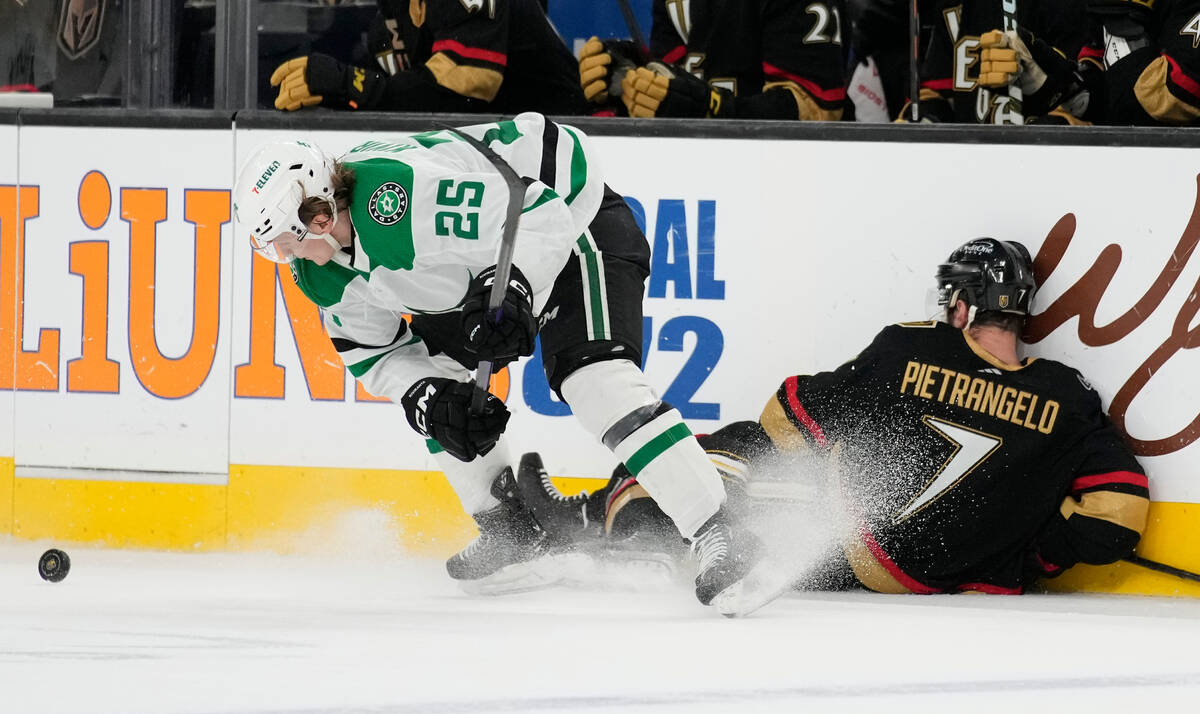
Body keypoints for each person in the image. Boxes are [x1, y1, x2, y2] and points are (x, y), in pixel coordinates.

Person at [231, 113, 755, 608]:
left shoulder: (396, 203)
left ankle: (719, 527)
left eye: (282, 241)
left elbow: (536, 210)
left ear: (318, 214)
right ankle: (515, 528)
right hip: (475, 265)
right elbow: (375, 351)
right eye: (270, 247)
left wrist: (517, 288)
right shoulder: (319, 269)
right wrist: (423, 394)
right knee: (439, 400)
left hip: (573, 223)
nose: (284, 256)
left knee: (592, 379)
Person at [518, 238, 1151, 600]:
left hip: (854, 542)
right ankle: (612, 525)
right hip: (921, 578)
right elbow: (1118, 514)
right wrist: (1018, 556)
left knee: (733, 447)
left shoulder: (915, 347)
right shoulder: (1066, 396)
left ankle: (590, 526)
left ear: (960, 305)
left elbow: (786, 419)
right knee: (772, 503)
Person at [269, 0, 587, 115]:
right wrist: (334, 89)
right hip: (497, 165)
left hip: (570, 156)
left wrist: (349, 85)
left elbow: (460, 92)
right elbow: (400, 100)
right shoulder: (386, 25)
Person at [579, 0, 847, 120]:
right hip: (697, 168)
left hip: (786, 180)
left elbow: (818, 111)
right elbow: (676, 77)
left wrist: (710, 108)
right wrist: (630, 78)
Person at [905, 0, 1095, 124]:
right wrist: (927, 119)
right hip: (968, 161)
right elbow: (938, 91)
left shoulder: (1067, 8)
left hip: (1041, 161)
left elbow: (1088, 96)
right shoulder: (951, 6)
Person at [1072, 0, 1200, 125]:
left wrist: (1124, 22)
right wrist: (1072, 89)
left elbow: (1177, 94)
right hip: (1122, 139)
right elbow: (1100, 69)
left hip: (1174, 139)